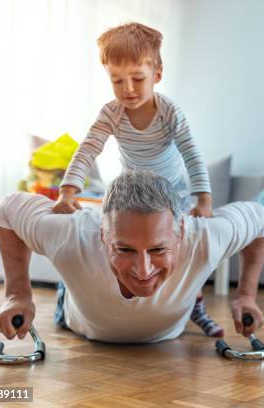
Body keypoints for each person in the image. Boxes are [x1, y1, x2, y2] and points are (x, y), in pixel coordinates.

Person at [52, 22, 222, 336]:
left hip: (171, 195)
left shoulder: (169, 112)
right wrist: (68, 191)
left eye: (137, 79)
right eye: (117, 80)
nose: (128, 89)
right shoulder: (112, 113)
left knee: (180, 251)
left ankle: (195, 305)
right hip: (130, 194)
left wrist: (204, 201)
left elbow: (191, 154)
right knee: (110, 241)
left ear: (157, 74)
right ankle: (92, 300)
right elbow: (88, 149)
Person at [0, 171, 264, 343]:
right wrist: (17, 294)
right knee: (73, 276)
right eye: (125, 249)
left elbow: (260, 220)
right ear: (103, 233)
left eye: (158, 249)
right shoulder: (71, 232)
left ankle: (193, 300)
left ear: (181, 230)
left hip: (168, 328)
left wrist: (246, 296)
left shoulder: (206, 236)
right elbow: (9, 208)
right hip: (79, 315)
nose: (143, 269)